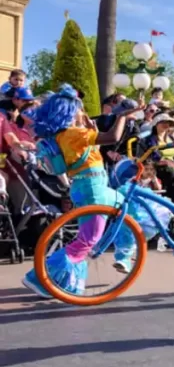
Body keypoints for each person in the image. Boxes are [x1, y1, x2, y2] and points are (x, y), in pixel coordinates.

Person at [21, 85, 136, 296]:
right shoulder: (75, 133)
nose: (81, 111)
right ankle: (38, 277)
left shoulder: (62, 135)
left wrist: (92, 131)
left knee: (123, 207)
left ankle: (119, 256)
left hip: (83, 187)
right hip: (94, 189)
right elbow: (113, 138)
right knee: (88, 240)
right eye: (77, 108)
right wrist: (121, 115)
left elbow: (90, 151)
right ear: (68, 112)